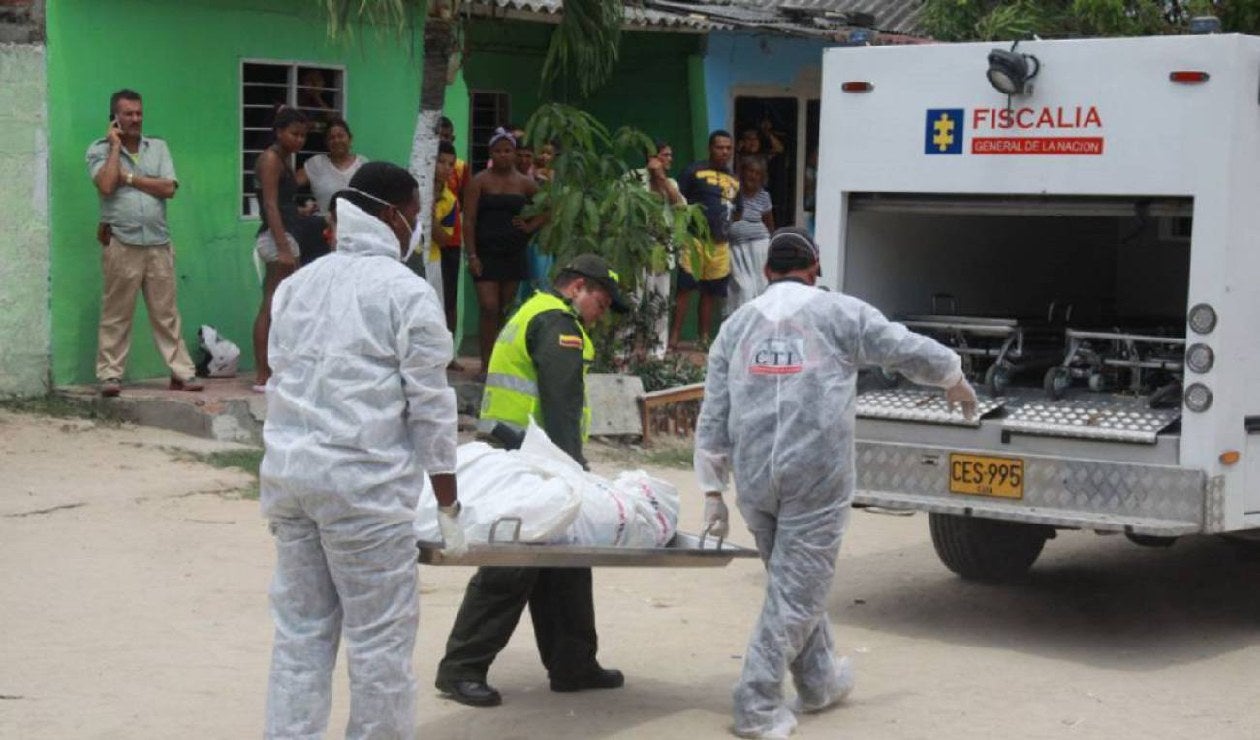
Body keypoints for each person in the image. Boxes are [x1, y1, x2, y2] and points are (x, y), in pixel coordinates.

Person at [694, 228, 978, 739]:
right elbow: (902, 348)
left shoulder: (735, 327)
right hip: (815, 476)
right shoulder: (840, 313)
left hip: (756, 478)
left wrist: (713, 489)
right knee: (797, 592)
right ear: (815, 266)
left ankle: (820, 679)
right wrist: (952, 375)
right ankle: (756, 704)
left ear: (766, 272)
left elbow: (714, 411)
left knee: (792, 582)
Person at [261, 161, 466, 740]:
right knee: (379, 642)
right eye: (414, 218)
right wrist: (447, 505)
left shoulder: (298, 286)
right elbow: (431, 405)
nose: (415, 230)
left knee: (300, 636)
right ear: (388, 215)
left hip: (292, 481)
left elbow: (282, 378)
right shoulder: (406, 292)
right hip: (363, 493)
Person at [435, 254, 630, 708]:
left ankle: (573, 662)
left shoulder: (530, 311)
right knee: (513, 564)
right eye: (601, 302)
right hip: (533, 461)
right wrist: (573, 468)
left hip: (522, 454)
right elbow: (561, 404)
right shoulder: (558, 324)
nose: (601, 315)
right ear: (578, 286)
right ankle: (462, 668)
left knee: (568, 559)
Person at [86, 88, 203, 398]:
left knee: (166, 313)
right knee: (116, 313)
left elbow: (168, 188)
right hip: (121, 243)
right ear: (115, 118)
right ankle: (110, 376)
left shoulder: (158, 147)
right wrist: (114, 147)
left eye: (138, 113)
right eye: (128, 114)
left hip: (158, 243)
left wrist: (131, 179)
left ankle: (182, 373)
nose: (135, 119)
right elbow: (107, 184)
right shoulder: (98, 150)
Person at [250, 107, 324, 391]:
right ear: (279, 132)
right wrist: (283, 248)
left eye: (304, 135)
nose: (300, 140)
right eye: (294, 134)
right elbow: (269, 205)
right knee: (271, 302)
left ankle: (277, 369)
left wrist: (301, 211)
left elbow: (282, 202)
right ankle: (261, 374)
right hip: (276, 237)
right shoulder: (270, 159)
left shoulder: (285, 159)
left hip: (289, 232)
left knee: (285, 306)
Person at [464, 127, 541, 377]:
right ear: (491, 153)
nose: (503, 155)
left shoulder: (525, 183)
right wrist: (472, 255)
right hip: (485, 253)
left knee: (505, 310)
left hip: (513, 252)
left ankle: (500, 363)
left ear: (515, 153)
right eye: (498, 151)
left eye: (508, 150)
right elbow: (469, 221)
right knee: (488, 307)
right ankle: (486, 365)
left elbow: (549, 209)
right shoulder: (479, 181)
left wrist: (530, 226)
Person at [670, 130, 738, 348]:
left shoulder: (735, 179)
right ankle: (674, 338)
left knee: (710, 293)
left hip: (720, 245)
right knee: (685, 289)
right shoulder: (693, 171)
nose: (724, 152)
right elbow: (678, 201)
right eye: (720, 147)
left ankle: (704, 340)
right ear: (710, 148)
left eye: (728, 148)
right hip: (694, 240)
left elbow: (739, 210)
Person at [633, 140, 684, 359]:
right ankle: (622, 352)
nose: (669, 159)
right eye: (665, 155)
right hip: (637, 246)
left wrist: (661, 178)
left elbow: (680, 206)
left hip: (663, 248)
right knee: (633, 300)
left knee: (660, 303)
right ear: (652, 157)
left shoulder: (670, 182)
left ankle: (656, 353)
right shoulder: (634, 178)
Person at [726, 156, 775, 314]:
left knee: (761, 285)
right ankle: (741, 320)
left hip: (760, 246)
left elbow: (769, 223)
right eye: (750, 171)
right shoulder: (732, 193)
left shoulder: (764, 196)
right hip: (737, 249)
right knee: (742, 287)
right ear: (742, 172)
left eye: (757, 173)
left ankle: (759, 321)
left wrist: (773, 245)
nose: (753, 176)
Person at [302, 116, 367, 215]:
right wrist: (301, 208)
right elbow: (289, 185)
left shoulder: (362, 164)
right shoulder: (317, 164)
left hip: (356, 227)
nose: (336, 141)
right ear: (326, 143)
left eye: (341, 136)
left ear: (350, 139)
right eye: (331, 138)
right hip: (325, 227)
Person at [431, 141, 462, 335]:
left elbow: (443, 239)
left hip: (433, 259)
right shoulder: (410, 187)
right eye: (441, 162)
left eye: (451, 164)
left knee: (437, 307)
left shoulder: (450, 200)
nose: (446, 168)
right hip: (406, 257)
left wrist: (431, 218)